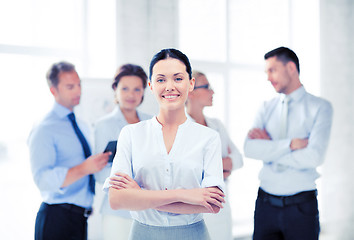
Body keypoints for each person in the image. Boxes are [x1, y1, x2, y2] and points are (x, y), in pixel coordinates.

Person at [103, 48, 226, 240]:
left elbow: (212, 205)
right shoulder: (131, 134)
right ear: (151, 86)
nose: (169, 86)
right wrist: (185, 195)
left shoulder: (208, 138)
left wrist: (140, 195)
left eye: (178, 78)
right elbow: (117, 200)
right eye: (161, 80)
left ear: (191, 83)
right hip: (143, 234)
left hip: (193, 234)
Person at [244, 47, 333, 240]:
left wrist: (269, 149)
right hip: (265, 205)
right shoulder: (266, 107)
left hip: (301, 208)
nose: (268, 77)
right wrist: (290, 145)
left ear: (291, 67)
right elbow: (249, 149)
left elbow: (314, 157)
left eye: (272, 70)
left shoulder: (320, 107)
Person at [28, 61, 111, 240]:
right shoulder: (45, 128)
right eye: (70, 86)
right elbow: (42, 179)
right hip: (56, 218)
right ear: (53, 90)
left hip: (80, 218)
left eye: (79, 84)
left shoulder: (81, 124)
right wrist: (84, 168)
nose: (78, 91)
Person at [94, 64, 151, 240]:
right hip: (118, 213)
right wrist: (133, 180)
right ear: (115, 89)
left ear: (143, 91)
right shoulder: (103, 125)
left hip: (148, 210)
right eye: (125, 88)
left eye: (137, 89)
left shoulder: (152, 123)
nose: (131, 95)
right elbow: (100, 173)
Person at [186, 71, 243, 240]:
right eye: (206, 87)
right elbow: (189, 170)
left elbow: (238, 159)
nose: (213, 92)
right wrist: (221, 167)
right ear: (190, 91)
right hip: (196, 207)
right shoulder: (182, 128)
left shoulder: (216, 125)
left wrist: (213, 167)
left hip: (221, 203)